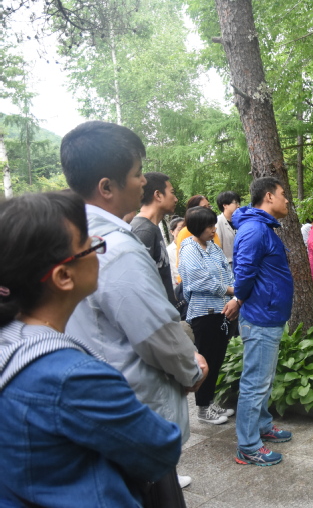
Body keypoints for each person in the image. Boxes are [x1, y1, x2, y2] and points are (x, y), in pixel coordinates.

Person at [0, 191, 183, 507]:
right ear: (63, 276)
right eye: (90, 245)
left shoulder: (12, 342)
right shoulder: (73, 377)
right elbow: (160, 448)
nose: (100, 246)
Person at [60, 121, 207, 493]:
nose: (144, 181)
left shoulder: (65, 236)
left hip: (97, 408)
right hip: (136, 420)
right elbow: (155, 332)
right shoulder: (117, 248)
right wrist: (192, 369)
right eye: (137, 173)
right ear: (106, 187)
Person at [232, 176, 294, 466]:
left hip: (269, 315)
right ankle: (248, 446)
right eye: (283, 194)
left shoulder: (262, 228)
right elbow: (243, 273)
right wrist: (239, 299)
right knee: (255, 383)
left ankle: (262, 426)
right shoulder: (255, 230)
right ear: (269, 196)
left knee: (263, 380)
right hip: (260, 316)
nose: (287, 200)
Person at [179, 206, 239, 426]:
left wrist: (232, 288)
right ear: (197, 227)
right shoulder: (189, 249)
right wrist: (231, 290)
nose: (214, 229)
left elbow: (228, 271)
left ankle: (210, 402)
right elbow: (199, 280)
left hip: (221, 311)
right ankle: (203, 408)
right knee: (206, 360)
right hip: (204, 313)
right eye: (209, 226)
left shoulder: (213, 247)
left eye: (214, 225)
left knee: (217, 359)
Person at [130, 171, 180, 307]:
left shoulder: (152, 228)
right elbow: (138, 284)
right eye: (172, 192)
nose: (176, 199)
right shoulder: (143, 231)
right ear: (158, 195)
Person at [174, 195, 221, 277]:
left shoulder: (213, 232)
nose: (208, 210)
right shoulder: (186, 232)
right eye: (204, 207)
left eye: (209, 206)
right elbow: (182, 265)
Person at [215, 190, 241, 267]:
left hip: (240, 262)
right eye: (235, 203)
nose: (238, 206)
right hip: (227, 265)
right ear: (225, 205)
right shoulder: (218, 222)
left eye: (238, 203)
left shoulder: (239, 221)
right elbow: (217, 247)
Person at [167, 216, 185, 288]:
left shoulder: (194, 246)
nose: (183, 232)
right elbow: (170, 275)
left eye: (185, 229)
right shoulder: (169, 251)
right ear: (172, 232)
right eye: (179, 229)